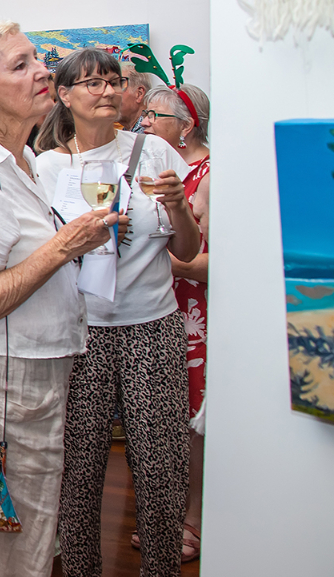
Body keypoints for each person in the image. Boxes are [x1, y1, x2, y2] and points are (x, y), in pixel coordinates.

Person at [0, 21, 115, 577]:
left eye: (37, 59)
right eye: (20, 65)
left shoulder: (22, 160)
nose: (42, 71)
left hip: (28, 379)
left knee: (26, 541)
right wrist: (65, 245)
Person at [35, 49, 201, 577]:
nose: (107, 91)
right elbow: (38, 256)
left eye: (113, 81)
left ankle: (161, 568)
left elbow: (187, 249)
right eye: (93, 83)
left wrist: (177, 206)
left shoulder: (154, 152)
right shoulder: (46, 167)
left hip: (153, 326)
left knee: (161, 466)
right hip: (79, 332)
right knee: (78, 468)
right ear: (64, 95)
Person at [140, 83, 211, 563]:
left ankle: (195, 520)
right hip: (155, 305)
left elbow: (218, 260)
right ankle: (163, 516)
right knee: (163, 419)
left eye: (155, 115)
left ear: (186, 127)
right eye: (143, 114)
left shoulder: (210, 175)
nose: (144, 122)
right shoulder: (149, 169)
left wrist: (155, 262)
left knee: (193, 422)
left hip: (194, 310)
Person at [117, 61, 157, 132]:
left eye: (117, 85)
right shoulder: (127, 133)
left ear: (139, 94)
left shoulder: (151, 133)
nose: (109, 93)